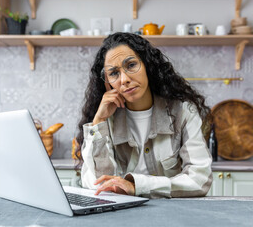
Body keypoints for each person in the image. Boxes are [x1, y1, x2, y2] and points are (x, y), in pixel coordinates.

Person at [76, 32, 212, 198]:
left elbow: (200, 180)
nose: (124, 79)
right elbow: (96, 183)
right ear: (107, 83)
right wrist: (98, 122)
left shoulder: (183, 112)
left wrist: (137, 186)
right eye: (113, 73)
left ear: (148, 65)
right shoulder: (106, 120)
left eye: (131, 65)